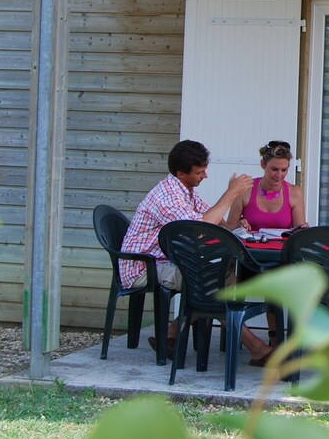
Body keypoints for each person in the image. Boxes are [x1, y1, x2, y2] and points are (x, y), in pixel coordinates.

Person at [119, 138, 273, 364]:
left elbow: (210, 217)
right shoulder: (167, 198)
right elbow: (197, 231)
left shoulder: (185, 190)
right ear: (181, 173)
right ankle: (256, 347)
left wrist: (235, 226)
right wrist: (231, 193)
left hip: (167, 261)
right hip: (143, 267)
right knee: (211, 284)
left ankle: (173, 331)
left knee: (217, 279)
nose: (205, 176)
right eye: (200, 172)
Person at [236, 140, 308, 231]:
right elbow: (230, 228)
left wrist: (303, 229)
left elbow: (299, 234)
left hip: (283, 245)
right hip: (250, 245)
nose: (279, 175)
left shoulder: (295, 193)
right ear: (263, 164)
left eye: (284, 170)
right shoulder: (245, 189)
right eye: (274, 169)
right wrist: (240, 225)